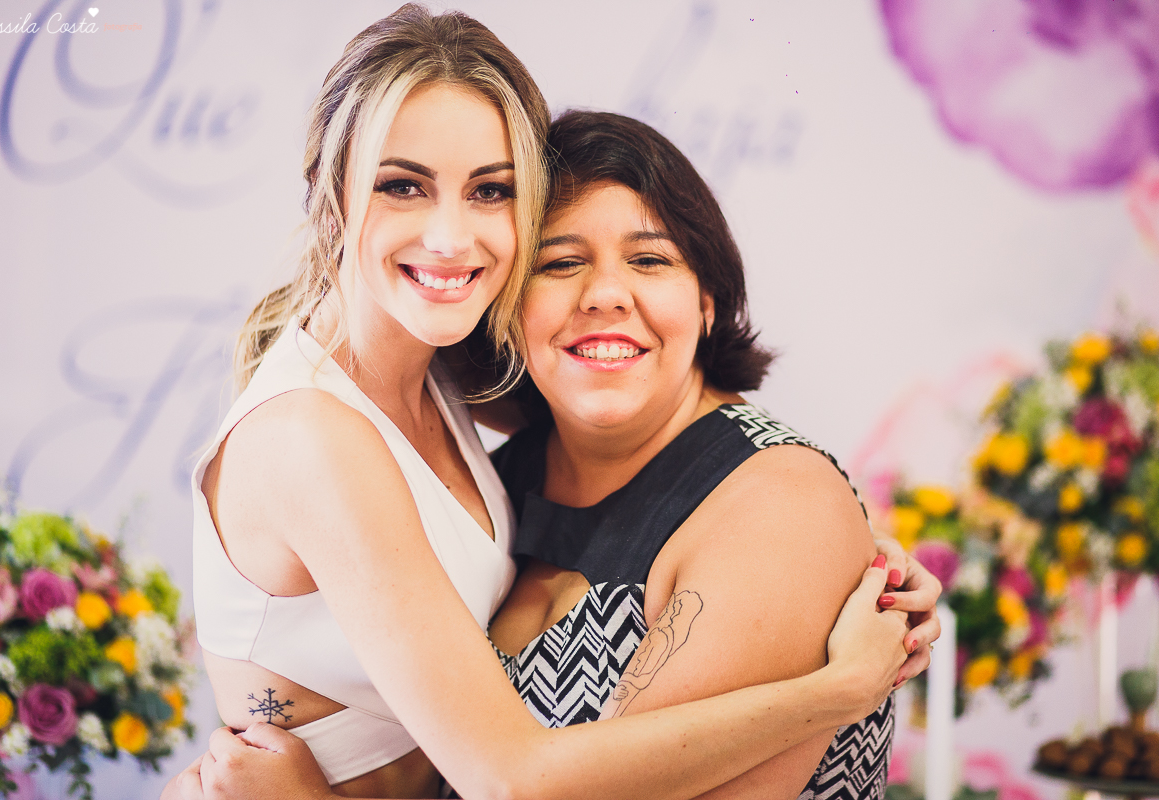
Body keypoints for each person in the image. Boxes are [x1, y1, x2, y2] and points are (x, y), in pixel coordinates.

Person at [167, 6, 926, 800]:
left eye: (489, 191)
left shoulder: (439, 386)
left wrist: (846, 535)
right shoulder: (319, 433)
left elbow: (730, 482)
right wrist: (837, 690)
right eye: (403, 185)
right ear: (331, 195)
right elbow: (510, 779)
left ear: (709, 296)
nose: (452, 238)